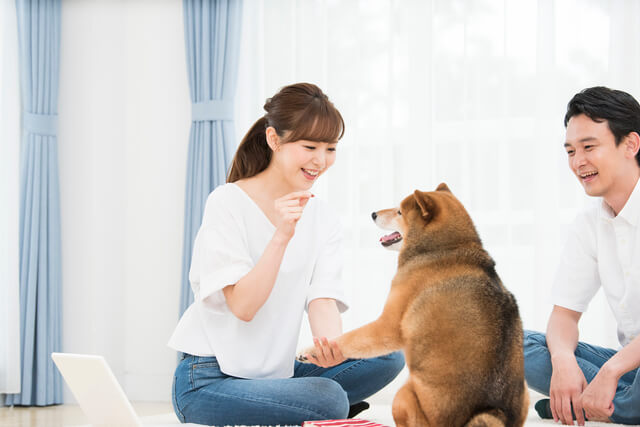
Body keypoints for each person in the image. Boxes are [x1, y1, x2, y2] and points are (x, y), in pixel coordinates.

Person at [168, 83, 405, 426]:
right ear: (274, 140)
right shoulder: (227, 202)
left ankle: (295, 404)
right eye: (309, 146)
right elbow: (244, 307)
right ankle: (308, 406)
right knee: (330, 399)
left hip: (275, 375)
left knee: (387, 354)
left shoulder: (323, 217)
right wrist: (281, 235)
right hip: (209, 379)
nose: (320, 161)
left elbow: (322, 300)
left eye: (331, 148)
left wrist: (330, 348)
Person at [524, 86, 640, 425]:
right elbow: (563, 317)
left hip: (625, 367)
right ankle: (602, 402)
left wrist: (612, 370)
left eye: (589, 147)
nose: (578, 162)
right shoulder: (589, 225)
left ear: (630, 144)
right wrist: (563, 363)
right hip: (631, 369)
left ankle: (586, 404)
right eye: (571, 151)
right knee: (515, 345)